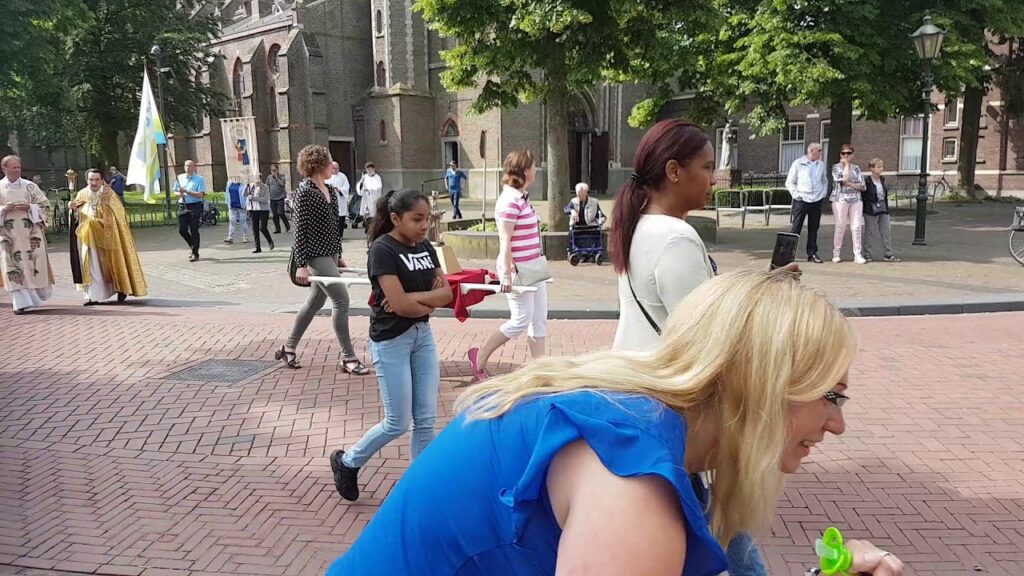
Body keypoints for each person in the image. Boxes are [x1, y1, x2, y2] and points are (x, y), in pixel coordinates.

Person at [326, 271, 906, 576]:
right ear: (760, 382)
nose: (837, 424)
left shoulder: (633, 414)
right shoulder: (632, 486)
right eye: (831, 395)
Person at [611, 119, 797, 575]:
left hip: (641, 393)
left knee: (704, 523)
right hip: (674, 405)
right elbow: (709, 333)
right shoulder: (676, 236)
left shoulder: (641, 226)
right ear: (674, 171)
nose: (715, 177)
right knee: (722, 530)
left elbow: (696, 304)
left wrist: (759, 285)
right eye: (708, 167)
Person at [329, 188, 452, 502]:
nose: (425, 226)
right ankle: (348, 462)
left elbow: (447, 295)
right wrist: (421, 300)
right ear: (396, 218)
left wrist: (414, 299)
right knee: (397, 422)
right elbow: (400, 306)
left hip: (422, 335)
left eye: (428, 219)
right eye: (417, 219)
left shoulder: (425, 246)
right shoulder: (383, 250)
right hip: (390, 340)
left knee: (426, 419)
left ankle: (417, 487)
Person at [276, 145, 369, 376]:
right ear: (318, 165)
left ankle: (289, 348)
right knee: (341, 300)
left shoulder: (330, 191)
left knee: (315, 302)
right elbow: (299, 231)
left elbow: (335, 229)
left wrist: (339, 255)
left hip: (330, 253)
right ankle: (348, 357)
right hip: (315, 255)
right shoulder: (304, 192)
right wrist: (301, 264)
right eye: (329, 162)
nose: (332, 166)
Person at [467, 149, 547, 381]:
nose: (535, 170)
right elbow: (505, 239)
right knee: (521, 319)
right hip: (518, 269)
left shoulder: (521, 197)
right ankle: (480, 356)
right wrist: (506, 275)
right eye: (533, 166)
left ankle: (540, 370)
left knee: (539, 318)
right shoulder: (510, 201)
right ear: (525, 170)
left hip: (533, 267)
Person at [68, 169, 147, 305]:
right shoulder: (82, 194)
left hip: (107, 237)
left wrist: (102, 221)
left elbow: (119, 216)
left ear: (102, 180)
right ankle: (91, 296)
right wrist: (73, 210)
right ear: (87, 180)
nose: (94, 183)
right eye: (91, 180)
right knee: (90, 265)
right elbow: (76, 217)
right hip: (88, 238)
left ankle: (120, 287)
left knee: (111, 263)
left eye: (97, 180)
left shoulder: (109, 194)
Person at [0, 155, 53, 314]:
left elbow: (45, 206)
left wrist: (30, 207)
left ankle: (34, 298)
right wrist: (3, 209)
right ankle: (20, 303)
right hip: (8, 235)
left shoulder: (30, 186)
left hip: (31, 234)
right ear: (4, 169)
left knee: (34, 263)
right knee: (12, 266)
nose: (17, 170)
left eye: (19, 167)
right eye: (13, 167)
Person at [785, 142, 829, 264]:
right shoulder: (798, 163)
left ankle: (812, 253)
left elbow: (824, 181)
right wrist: (796, 195)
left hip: (816, 200)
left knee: (813, 228)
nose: (821, 153)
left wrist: (823, 193)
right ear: (811, 151)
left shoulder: (821, 164)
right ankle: (789, 254)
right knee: (796, 227)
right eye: (819, 150)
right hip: (802, 200)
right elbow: (790, 181)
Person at [831, 145, 867, 264]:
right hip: (840, 199)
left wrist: (850, 184)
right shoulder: (836, 167)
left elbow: (863, 186)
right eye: (843, 153)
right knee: (840, 227)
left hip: (856, 199)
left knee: (856, 227)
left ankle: (857, 254)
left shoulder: (856, 168)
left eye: (849, 153)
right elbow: (843, 179)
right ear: (840, 155)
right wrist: (846, 165)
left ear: (853, 155)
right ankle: (836, 253)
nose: (846, 155)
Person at [862, 158, 900, 263]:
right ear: (872, 168)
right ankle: (867, 254)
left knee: (886, 231)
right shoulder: (867, 181)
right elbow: (864, 196)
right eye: (878, 167)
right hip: (870, 210)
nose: (881, 169)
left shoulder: (882, 179)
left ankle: (888, 254)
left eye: (882, 167)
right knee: (870, 232)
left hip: (883, 208)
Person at [174, 160, 206, 262]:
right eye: (186, 166)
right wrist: (179, 194)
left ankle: (195, 253)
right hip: (182, 205)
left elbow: (200, 194)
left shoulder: (199, 179)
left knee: (194, 229)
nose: (187, 168)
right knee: (182, 229)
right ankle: (193, 246)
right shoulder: (180, 177)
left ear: (194, 167)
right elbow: (175, 191)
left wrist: (187, 191)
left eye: (190, 166)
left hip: (194, 206)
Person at [246, 176, 273, 253]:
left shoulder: (265, 187)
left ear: (261, 180)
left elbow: (265, 199)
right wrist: (247, 186)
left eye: (258, 180)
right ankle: (258, 247)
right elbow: (244, 194)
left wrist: (254, 198)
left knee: (262, 227)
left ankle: (270, 241)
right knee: (255, 229)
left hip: (263, 210)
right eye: (255, 180)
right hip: (253, 210)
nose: (257, 182)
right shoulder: (251, 187)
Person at [326, 162, 350, 239]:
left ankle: (340, 235)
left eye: (337, 168)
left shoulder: (342, 176)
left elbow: (346, 187)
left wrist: (339, 189)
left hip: (340, 200)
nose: (336, 170)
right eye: (334, 168)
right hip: (331, 200)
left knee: (341, 218)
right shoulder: (327, 176)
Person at [357, 162, 384, 231]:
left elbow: (378, 188)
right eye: (367, 169)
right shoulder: (365, 177)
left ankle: (373, 228)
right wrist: (361, 184)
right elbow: (360, 186)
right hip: (366, 198)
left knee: (373, 214)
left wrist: (369, 190)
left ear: (373, 169)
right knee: (366, 213)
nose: (369, 171)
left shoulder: (377, 177)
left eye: (370, 169)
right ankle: (367, 227)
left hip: (374, 199)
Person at [223, 178, 250, 244]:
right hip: (232, 205)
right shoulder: (229, 183)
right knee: (232, 221)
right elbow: (227, 193)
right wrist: (227, 202)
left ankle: (245, 237)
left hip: (241, 205)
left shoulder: (244, 184)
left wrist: (247, 205)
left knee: (243, 221)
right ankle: (230, 237)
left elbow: (246, 195)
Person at [267, 164, 290, 234]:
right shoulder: (269, 177)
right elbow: (267, 186)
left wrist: (277, 177)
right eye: (272, 170)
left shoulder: (282, 176)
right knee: (275, 215)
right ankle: (277, 229)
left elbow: (282, 184)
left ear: (277, 170)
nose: (273, 172)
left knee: (280, 212)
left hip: (280, 197)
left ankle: (287, 225)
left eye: (274, 170)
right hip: (272, 198)